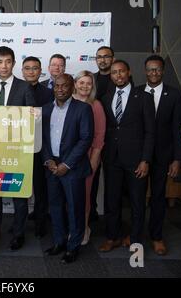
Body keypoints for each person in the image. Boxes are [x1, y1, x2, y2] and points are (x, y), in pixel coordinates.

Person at [98, 60, 155, 252]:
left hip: (136, 160)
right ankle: (112, 236)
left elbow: (150, 132)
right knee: (111, 199)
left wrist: (145, 159)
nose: (118, 75)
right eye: (114, 72)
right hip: (112, 158)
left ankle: (136, 237)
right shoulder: (106, 98)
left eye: (121, 71)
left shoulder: (144, 97)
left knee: (137, 201)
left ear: (129, 72)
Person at [0, 46, 36, 251]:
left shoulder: (25, 88)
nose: (4, 66)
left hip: (17, 151)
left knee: (19, 195)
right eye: (0, 62)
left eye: (7, 61)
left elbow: (32, 121)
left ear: (13, 63)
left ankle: (18, 233)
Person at [42, 73, 94, 264]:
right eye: (57, 86)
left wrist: (66, 164)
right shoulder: (45, 110)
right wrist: (48, 160)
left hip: (73, 167)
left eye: (65, 86)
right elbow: (42, 139)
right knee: (55, 207)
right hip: (51, 166)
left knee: (75, 209)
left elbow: (86, 138)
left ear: (72, 87)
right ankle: (59, 242)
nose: (60, 89)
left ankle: (73, 247)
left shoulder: (83, 109)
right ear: (53, 88)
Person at [139, 55, 181, 255]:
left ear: (163, 71)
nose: (153, 73)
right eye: (150, 69)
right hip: (139, 156)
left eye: (157, 69)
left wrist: (177, 159)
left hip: (163, 156)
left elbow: (177, 129)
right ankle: (135, 235)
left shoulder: (174, 95)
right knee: (136, 197)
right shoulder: (136, 92)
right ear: (145, 71)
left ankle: (156, 237)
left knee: (158, 196)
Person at [21, 56, 54, 238]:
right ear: (22, 71)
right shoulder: (17, 90)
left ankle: (41, 224)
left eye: (35, 68)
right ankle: (19, 224)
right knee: (19, 188)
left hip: (40, 146)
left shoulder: (49, 94)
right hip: (17, 148)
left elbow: (50, 121)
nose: (31, 71)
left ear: (41, 71)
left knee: (41, 188)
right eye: (27, 68)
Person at [72, 70, 106, 245]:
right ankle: (74, 229)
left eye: (89, 83)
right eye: (81, 82)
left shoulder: (96, 105)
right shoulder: (67, 102)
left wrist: (94, 160)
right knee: (70, 196)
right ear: (75, 83)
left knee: (84, 196)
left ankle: (85, 228)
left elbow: (100, 136)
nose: (85, 86)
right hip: (68, 159)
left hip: (88, 159)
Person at [90, 46, 115, 222]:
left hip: (115, 138)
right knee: (92, 177)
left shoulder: (120, 78)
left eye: (106, 56)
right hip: (94, 138)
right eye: (99, 57)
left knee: (114, 182)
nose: (102, 60)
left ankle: (111, 219)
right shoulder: (92, 80)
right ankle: (91, 212)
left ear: (112, 58)